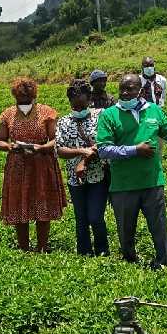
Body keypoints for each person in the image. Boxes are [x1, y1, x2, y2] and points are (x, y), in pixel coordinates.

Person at [97, 74, 167, 269]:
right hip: (123, 184)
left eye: (130, 89)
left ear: (140, 91)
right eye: (122, 89)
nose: (125, 93)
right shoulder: (109, 115)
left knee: (159, 227)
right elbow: (103, 149)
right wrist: (135, 150)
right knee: (125, 230)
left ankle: (162, 263)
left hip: (152, 181)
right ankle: (130, 262)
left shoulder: (154, 111)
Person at [0, 77, 67, 252]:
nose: (24, 102)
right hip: (18, 165)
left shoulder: (47, 112)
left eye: (27, 99)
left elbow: (55, 140)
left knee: (42, 202)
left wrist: (41, 147)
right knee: (20, 204)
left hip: (42, 164)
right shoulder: (8, 114)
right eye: (20, 99)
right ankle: (24, 248)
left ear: (34, 96)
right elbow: (0, 141)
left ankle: (42, 246)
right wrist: (11, 146)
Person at [56, 79, 109, 256]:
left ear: (89, 100)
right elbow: (60, 149)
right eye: (74, 106)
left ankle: (102, 251)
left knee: (95, 217)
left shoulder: (101, 115)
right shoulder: (63, 121)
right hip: (74, 178)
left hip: (98, 175)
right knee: (81, 219)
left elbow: (103, 142)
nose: (78, 110)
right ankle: (84, 253)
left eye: (82, 105)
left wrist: (83, 161)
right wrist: (82, 151)